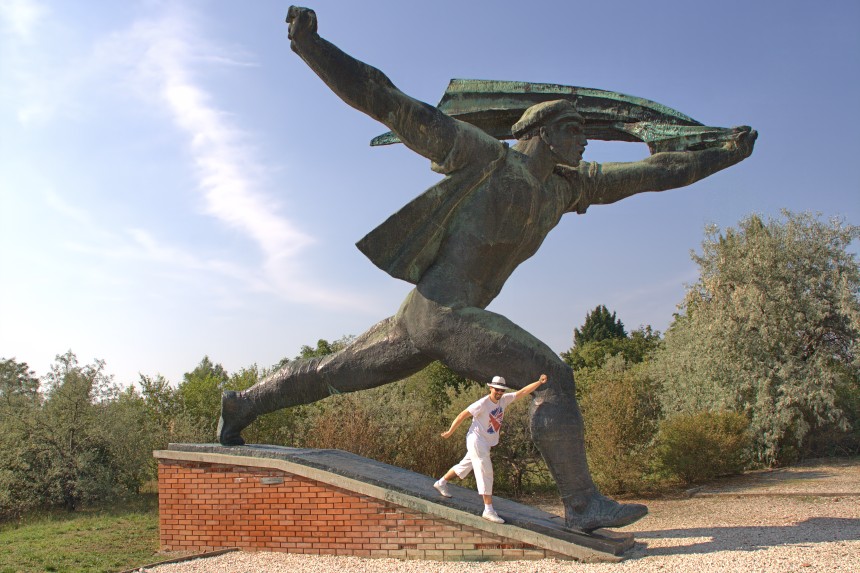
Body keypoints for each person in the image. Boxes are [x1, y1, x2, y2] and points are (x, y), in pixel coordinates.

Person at [218, 5, 756, 531]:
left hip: (424, 317)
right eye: (574, 130)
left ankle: (240, 404)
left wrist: (725, 154)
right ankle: (583, 504)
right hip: (446, 310)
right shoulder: (486, 157)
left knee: (329, 374)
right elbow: (389, 102)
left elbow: (654, 172)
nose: (584, 139)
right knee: (553, 378)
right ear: (542, 131)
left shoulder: (568, 188)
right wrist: (313, 48)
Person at [434, 374, 548, 523]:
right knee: (485, 470)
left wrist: (539, 382)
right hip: (476, 440)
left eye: (501, 390)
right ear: (490, 388)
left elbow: (522, 392)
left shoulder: (504, 400)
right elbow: (463, 415)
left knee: (464, 466)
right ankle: (488, 509)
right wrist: (450, 431)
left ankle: (441, 482)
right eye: (496, 390)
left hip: (486, 443)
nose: (499, 393)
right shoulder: (482, 403)